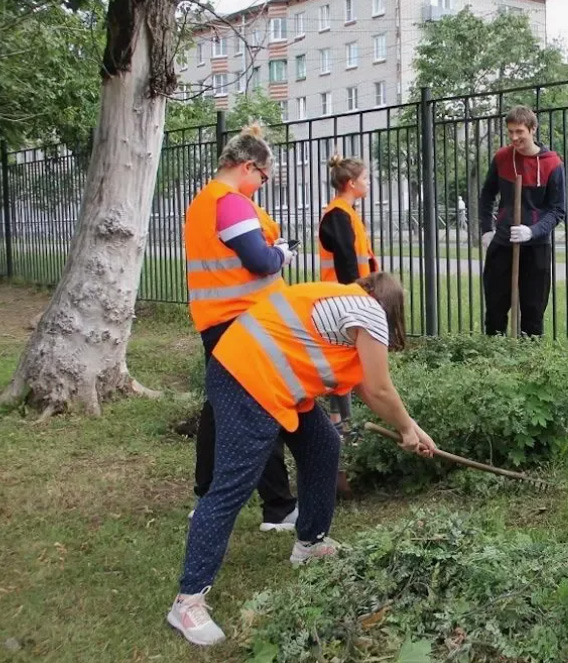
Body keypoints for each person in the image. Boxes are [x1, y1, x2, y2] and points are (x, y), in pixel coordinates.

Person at [167, 272, 437, 646]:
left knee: (323, 444)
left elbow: (368, 389)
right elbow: (377, 387)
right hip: (247, 379)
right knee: (232, 486)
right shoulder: (370, 312)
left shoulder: (340, 302)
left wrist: (413, 428)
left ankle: (310, 543)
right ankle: (188, 601)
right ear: (392, 310)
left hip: (264, 377)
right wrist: (407, 430)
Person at [184, 123, 298, 532]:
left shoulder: (205, 201)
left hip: (221, 320)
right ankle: (278, 508)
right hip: (242, 321)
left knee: (221, 409)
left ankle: (209, 497)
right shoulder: (229, 202)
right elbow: (258, 260)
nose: (261, 186)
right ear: (248, 167)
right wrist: (281, 254)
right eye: (263, 178)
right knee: (257, 409)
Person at [478, 105, 567, 337]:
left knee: (533, 311)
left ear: (532, 129)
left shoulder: (552, 164)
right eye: (510, 132)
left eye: (519, 132)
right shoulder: (502, 158)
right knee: (495, 309)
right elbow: (487, 194)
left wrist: (532, 231)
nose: (514, 137)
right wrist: (486, 230)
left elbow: (557, 210)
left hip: (536, 247)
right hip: (502, 243)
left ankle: (529, 363)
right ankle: (494, 362)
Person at [318, 154, 378, 435]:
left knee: (344, 362)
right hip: (344, 300)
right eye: (365, 178)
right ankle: (344, 428)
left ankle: (340, 425)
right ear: (351, 183)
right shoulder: (338, 215)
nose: (368, 183)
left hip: (348, 298)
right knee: (343, 362)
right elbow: (346, 264)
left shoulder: (347, 213)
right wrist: (358, 300)